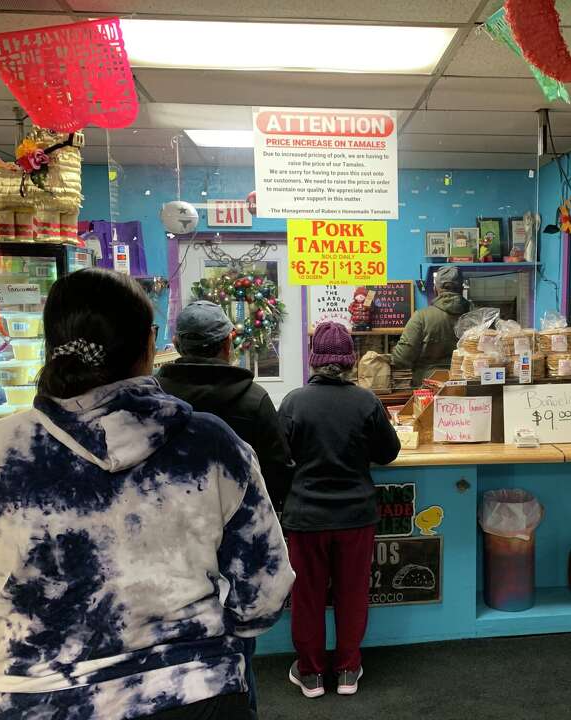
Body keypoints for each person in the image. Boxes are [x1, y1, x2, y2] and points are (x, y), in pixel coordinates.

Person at [0, 268, 294, 720]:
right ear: (149, 344)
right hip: (194, 690)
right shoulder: (209, 445)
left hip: (39, 699)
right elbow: (264, 592)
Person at [277, 322, 401, 699]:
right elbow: (388, 452)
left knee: (308, 597)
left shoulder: (294, 402)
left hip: (306, 517)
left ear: (314, 361)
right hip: (355, 517)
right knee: (352, 594)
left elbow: (280, 457)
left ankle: (312, 674)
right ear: (349, 362)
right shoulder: (367, 402)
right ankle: (348, 669)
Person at [157, 300, 294, 510]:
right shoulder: (254, 400)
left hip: (168, 522)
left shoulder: (154, 396)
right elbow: (278, 472)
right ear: (228, 344)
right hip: (241, 524)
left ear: (176, 344)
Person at [391, 265, 472, 385]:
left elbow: (401, 358)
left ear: (435, 289)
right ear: (462, 288)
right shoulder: (478, 317)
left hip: (429, 387)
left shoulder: (422, 317)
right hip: (468, 385)